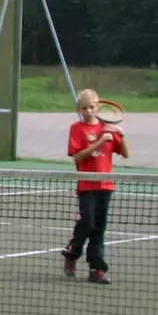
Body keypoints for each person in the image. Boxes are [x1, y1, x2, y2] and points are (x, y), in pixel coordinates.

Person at [62, 88, 128, 283]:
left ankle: (96, 269)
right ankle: (73, 253)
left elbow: (125, 154)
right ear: (79, 109)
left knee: (99, 229)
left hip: (105, 186)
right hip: (86, 186)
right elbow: (77, 158)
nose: (89, 111)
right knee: (88, 222)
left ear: (98, 106)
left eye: (92, 107)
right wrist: (99, 142)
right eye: (84, 108)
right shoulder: (76, 128)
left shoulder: (108, 128)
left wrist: (121, 135)